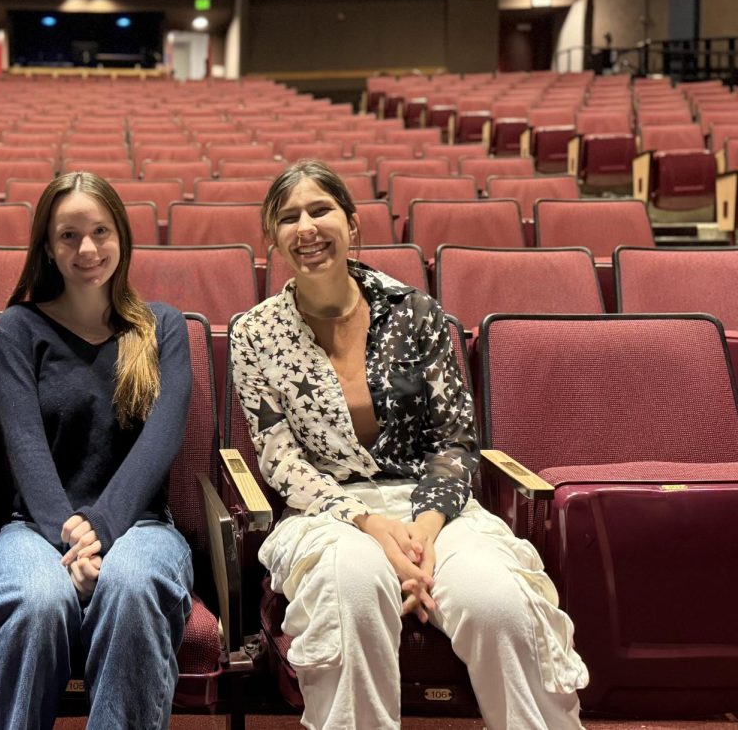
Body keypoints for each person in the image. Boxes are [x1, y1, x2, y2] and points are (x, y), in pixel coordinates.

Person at [230, 160, 588, 730]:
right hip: (329, 512)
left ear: (352, 225)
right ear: (271, 239)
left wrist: (422, 533)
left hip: (435, 508)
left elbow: (454, 439)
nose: (306, 228)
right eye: (288, 217)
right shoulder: (254, 333)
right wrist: (369, 525)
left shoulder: (415, 312)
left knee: (499, 605)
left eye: (320, 210)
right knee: (351, 591)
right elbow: (280, 459)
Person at [0, 171, 194, 730]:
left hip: (139, 524)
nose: (86, 249)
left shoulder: (163, 326)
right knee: (35, 600)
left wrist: (101, 526)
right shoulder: (19, 326)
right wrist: (71, 533)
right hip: (35, 526)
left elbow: (161, 438)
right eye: (68, 235)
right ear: (47, 245)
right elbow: (24, 443)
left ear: (122, 236)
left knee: (134, 584)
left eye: (100, 231)